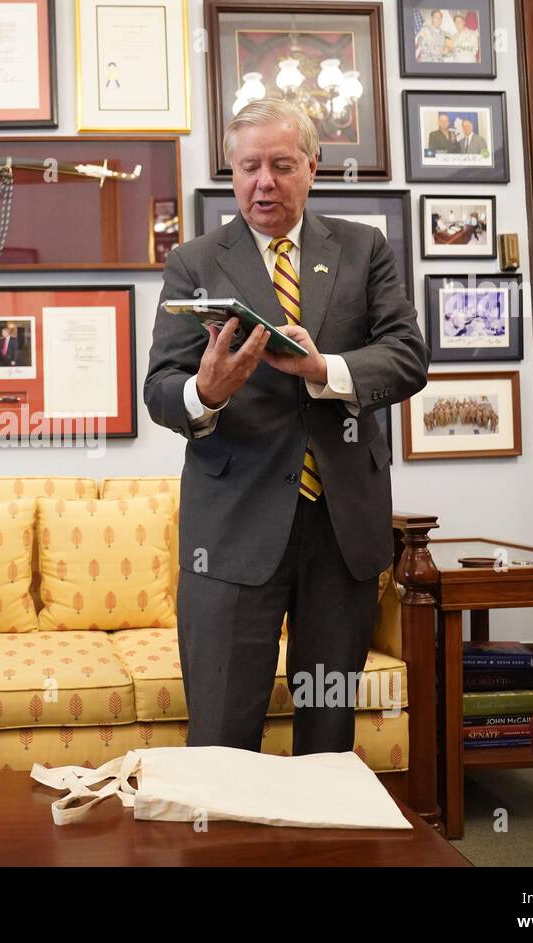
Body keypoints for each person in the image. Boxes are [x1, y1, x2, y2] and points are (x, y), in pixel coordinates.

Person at [143, 98, 429, 756]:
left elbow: (408, 358)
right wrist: (204, 393)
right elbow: (161, 390)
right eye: (248, 167)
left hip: (342, 527)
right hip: (232, 528)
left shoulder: (364, 249)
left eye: (281, 164)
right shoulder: (195, 261)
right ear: (232, 173)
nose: (263, 181)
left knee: (327, 731)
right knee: (220, 732)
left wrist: (321, 367)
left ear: (312, 166)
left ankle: (320, 855)